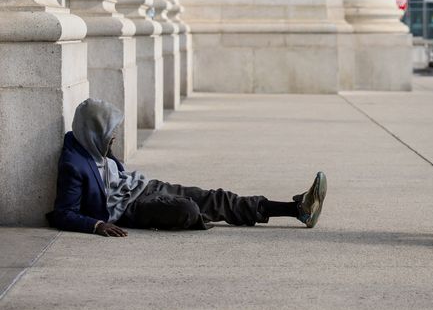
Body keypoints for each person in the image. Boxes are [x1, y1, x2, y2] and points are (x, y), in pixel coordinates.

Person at [47, 98, 327, 237]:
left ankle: (296, 209)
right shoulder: (74, 164)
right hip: (132, 210)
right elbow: (63, 213)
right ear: (93, 131)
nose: (115, 136)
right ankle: (202, 216)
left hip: (145, 187)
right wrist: (97, 225)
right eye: (110, 131)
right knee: (188, 210)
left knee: (217, 198)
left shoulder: (94, 144)